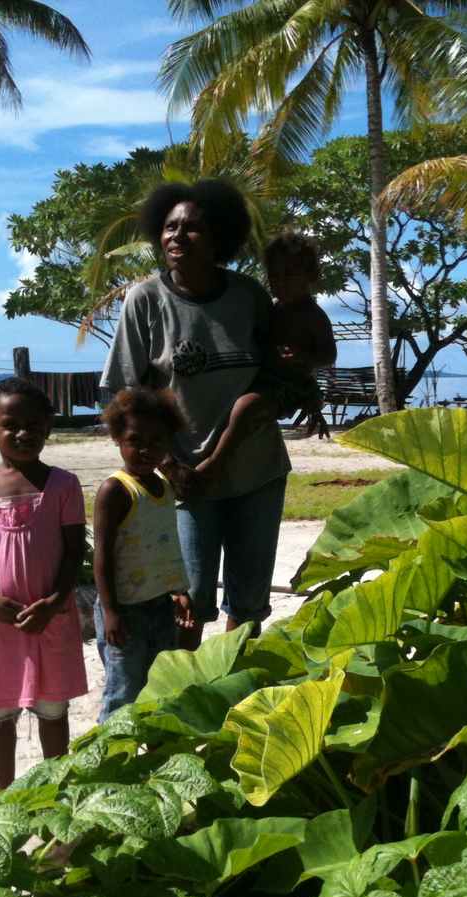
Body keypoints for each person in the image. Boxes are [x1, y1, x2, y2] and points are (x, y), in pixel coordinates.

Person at [100, 178, 290, 648]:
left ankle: (234, 689)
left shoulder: (248, 297)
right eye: (169, 227)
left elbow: (273, 382)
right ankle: (186, 695)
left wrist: (220, 459)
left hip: (256, 471)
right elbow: (126, 398)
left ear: (220, 237)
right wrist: (169, 466)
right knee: (189, 598)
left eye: (193, 229)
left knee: (248, 599)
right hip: (182, 478)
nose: (177, 237)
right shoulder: (145, 300)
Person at [0, 377, 88, 791]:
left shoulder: (64, 485)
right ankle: (6, 797)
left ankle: (56, 792)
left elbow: (73, 552)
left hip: (51, 617)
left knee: (52, 709)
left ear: (49, 426)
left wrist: (52, 602)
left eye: (34, 424)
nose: (23, 433)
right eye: (10, 425)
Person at [92, 387, 194, 718]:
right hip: (124, 610)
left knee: (157, 687)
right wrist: (110, 611)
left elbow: (165, 542)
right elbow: (103, 554)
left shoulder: (163, 486)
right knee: (123, 690)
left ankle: (155, 754)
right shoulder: (116, 490)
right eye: (136, 440)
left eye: (157, 441)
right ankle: (111, 760)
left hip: (158, 605)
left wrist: (178, 589)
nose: (146, 449)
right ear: (117, 438)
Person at [196, 231, 337, 467]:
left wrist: (304, 357)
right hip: (264, 378)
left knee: (245, 408)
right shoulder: (272, 309)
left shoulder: (313, 316)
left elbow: (329, 356)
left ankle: (216, 461)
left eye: (289, 275)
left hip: (290, 387)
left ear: (310, 276)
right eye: (274, 276)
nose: (280, 282)